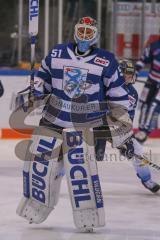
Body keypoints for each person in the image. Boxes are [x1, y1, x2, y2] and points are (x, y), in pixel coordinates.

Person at [15, 17, 135, 228]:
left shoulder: (106, 60)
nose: (84, 36)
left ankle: (88, 217)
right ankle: (35, 207)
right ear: (75, 32)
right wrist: (34, 91)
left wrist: (121, 132)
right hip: (52, 119)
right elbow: (43, 79)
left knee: (81, 171)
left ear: (95, 35)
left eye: (89, 32)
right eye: (81, 31)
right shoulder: (57, 53)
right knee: (39, 165)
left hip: (86, 124)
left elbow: (118, 97)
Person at [95, 59, 160, 193]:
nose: (128, 78)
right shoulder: (105, 86)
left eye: (130, 75)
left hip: (116, 127)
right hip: (97, 124)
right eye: (125, 74)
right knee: (83, 151)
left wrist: (126, 141)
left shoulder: (133, 94)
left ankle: (147, 180)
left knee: (137, 150)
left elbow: (128, 119)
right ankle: (59, 174)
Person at [134, 38, 160, 143]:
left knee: (154, 105)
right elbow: (143, 59)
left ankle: (145, 131)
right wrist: (135, 72)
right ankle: (141, 129)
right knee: (144, 104)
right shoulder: (154, 46)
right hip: (151, 81)